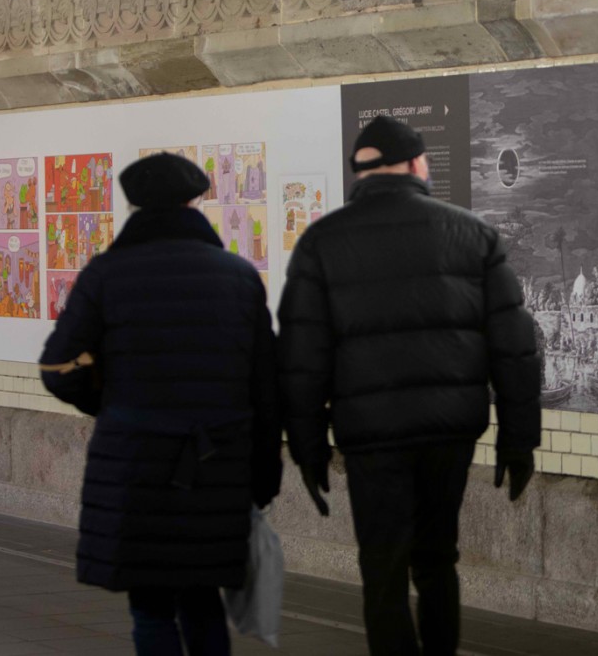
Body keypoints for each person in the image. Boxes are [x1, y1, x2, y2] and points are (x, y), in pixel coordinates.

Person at [278, 115, 541, 656]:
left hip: (370, 438)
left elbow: (302, 358)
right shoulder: (474, 235)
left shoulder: (321, 243)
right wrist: (519, 438)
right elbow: (514, 349)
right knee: (438, 560)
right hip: (449, 433)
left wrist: (306, 446)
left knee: (383, 568)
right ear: (418, 164)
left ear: (361, 174)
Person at [38, 152, 281, 656]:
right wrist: (264, 471)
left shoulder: (107, 274)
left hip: (135, 461)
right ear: (195, 201)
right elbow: (265, 384)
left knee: (150, 607)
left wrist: (109, 402)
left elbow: (57, 367)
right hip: (215, 461)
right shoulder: (236, 275)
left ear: (134, 206)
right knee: (201, 597)